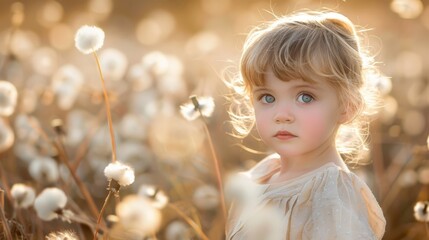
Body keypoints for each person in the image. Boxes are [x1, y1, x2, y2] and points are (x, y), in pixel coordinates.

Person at [225, 10, 386, 240]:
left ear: (347, 106)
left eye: (305, 97)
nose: (281, 115)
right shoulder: (263, 174)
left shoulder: (331, 194)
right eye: (267, 97)